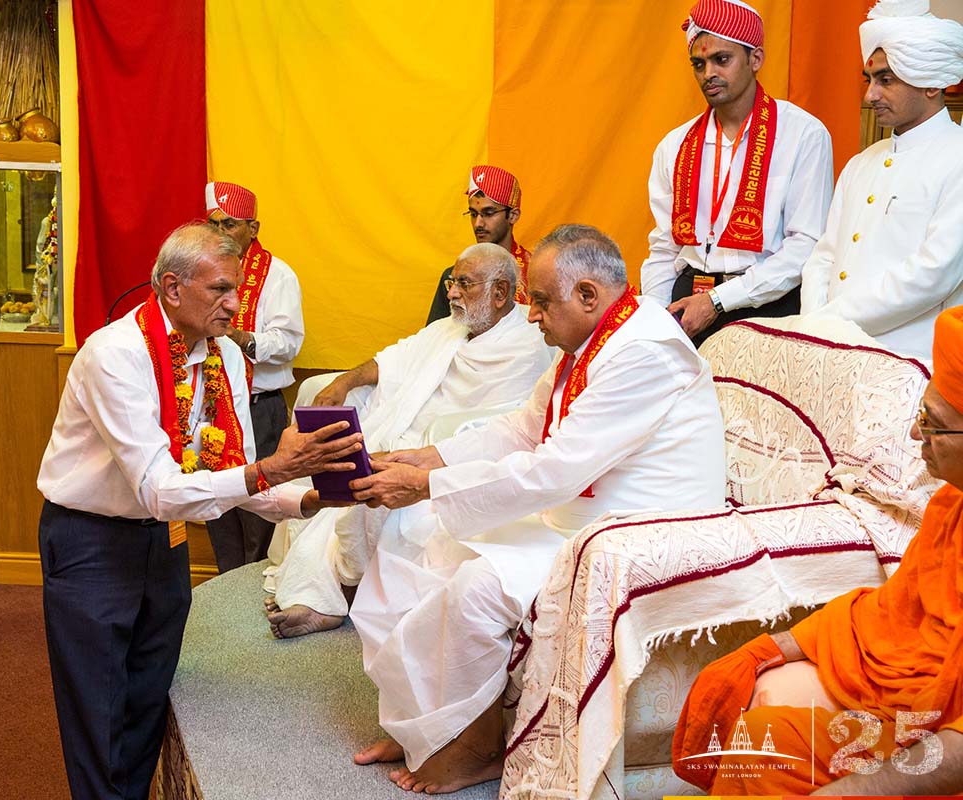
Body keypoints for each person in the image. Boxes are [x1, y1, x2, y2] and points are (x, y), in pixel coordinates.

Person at [348, 224, 727, 794]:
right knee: (413, 539)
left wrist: (427, 485)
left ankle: (475, 749)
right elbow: (521, 431)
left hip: (632, 532)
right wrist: (423, 458)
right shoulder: (592, 339)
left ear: (588, 296)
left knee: (476, 587)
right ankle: (421, 725)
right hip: (578, 514)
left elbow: (554, 470)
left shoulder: (644, 351)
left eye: (542, 301)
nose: (532, 316)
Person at [35, 222, 361, 800]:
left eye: (237, 288)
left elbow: (233, 471)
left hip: (166, 541)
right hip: (92, 542)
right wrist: (271, 471)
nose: (236, 304)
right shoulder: (115, 356)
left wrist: (309, 499)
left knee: (148, 694)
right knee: (97, 707)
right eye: (220, 291)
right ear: (171, 288)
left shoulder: (227, 357)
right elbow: (160, 489)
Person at [672, 305, 963, 795]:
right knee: (762, 740)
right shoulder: (951, 503)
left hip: (946, 749)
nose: (915, 435)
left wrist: (849, 791)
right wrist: (771, 648)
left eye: (932, 424)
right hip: (916, 702)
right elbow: (891, 614)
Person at [264, 242, 553, 638]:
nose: (450, 293)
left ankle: (336, 596)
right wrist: (342, 382)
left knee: (369, 484)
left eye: (463, 284)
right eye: (453, 282)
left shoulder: (527, 345)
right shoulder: (449, 329)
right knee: (340, 441)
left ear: (499, 293)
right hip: (405, 430)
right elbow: (393, 359)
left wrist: (426, 448)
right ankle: (325, 589)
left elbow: (506, 426)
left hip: (453, 450)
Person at [641, 0, 833, 348]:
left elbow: (806, 245)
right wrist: (656, 317)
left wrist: (718, 301)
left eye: (722, 59)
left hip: (764, 304)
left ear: (755, 59)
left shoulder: (803, 134)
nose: (708, 73)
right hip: (685, 305)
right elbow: (664, 248)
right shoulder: (675, 145)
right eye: (698, 64)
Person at [801, 0, 963, 368]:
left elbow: (932, 274)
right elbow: (823, 257)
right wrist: (812, 328)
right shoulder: (861, 163)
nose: (870, 95)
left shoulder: (958, 158)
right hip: (827, 355)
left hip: (908, 367)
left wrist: (829, 322)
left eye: (885, 80)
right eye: (869, 80)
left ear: (931, 84)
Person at [203, 181, 306, 572]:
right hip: (213, 407)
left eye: (229, 225)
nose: (219, 234)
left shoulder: (278, 276)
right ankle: (223, 591)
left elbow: (287, 343)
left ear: (254, 228)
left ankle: (252, 605)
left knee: (261, 516)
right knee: (217, 508)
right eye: (213, 225)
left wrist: (237, 335)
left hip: (260, 410)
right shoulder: (200, 275)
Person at [425, 165, 532, 325]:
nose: (478, 223)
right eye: (473, 214)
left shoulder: (535, 274)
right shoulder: (453, 279)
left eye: (488, 213)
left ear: (513, 216)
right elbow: (434, 340)